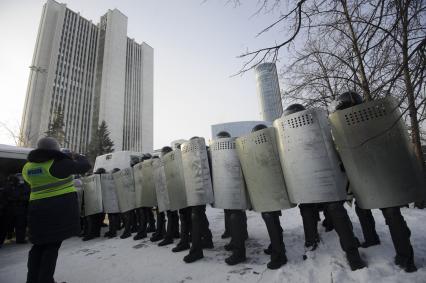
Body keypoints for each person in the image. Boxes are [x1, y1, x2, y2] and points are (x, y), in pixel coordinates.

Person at [331, 91, 418, 272]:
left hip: (370, 177)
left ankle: (404, 258)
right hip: (372, 177)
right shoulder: (375, 118)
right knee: (375, 210)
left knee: (383, 212)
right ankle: (398, 254)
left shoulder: (360, 123)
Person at [280, 104, 365, 271]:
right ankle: (315, 242)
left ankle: (349, 251)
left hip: (327, 184)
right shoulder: (289, 142)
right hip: (313, 188)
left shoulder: (319, 131)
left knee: (330, 208)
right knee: (314, 208)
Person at [22, 137, 90, 283]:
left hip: (36, 210)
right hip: (57, 210)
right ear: (55, 150)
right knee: (51, 247)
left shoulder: (27, 167)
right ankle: (46, 280)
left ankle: (32, 280)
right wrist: (77, 156)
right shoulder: (58, 164)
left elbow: (30, 182)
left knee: (38, 246)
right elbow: (85, 165)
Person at [183, 137, 214, 263]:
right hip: (198, 190)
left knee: (196, 216)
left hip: (201, 190)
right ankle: (207, 239)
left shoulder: (205, 153)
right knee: (200, 215)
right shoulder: (197, 154)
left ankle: (196, 251)